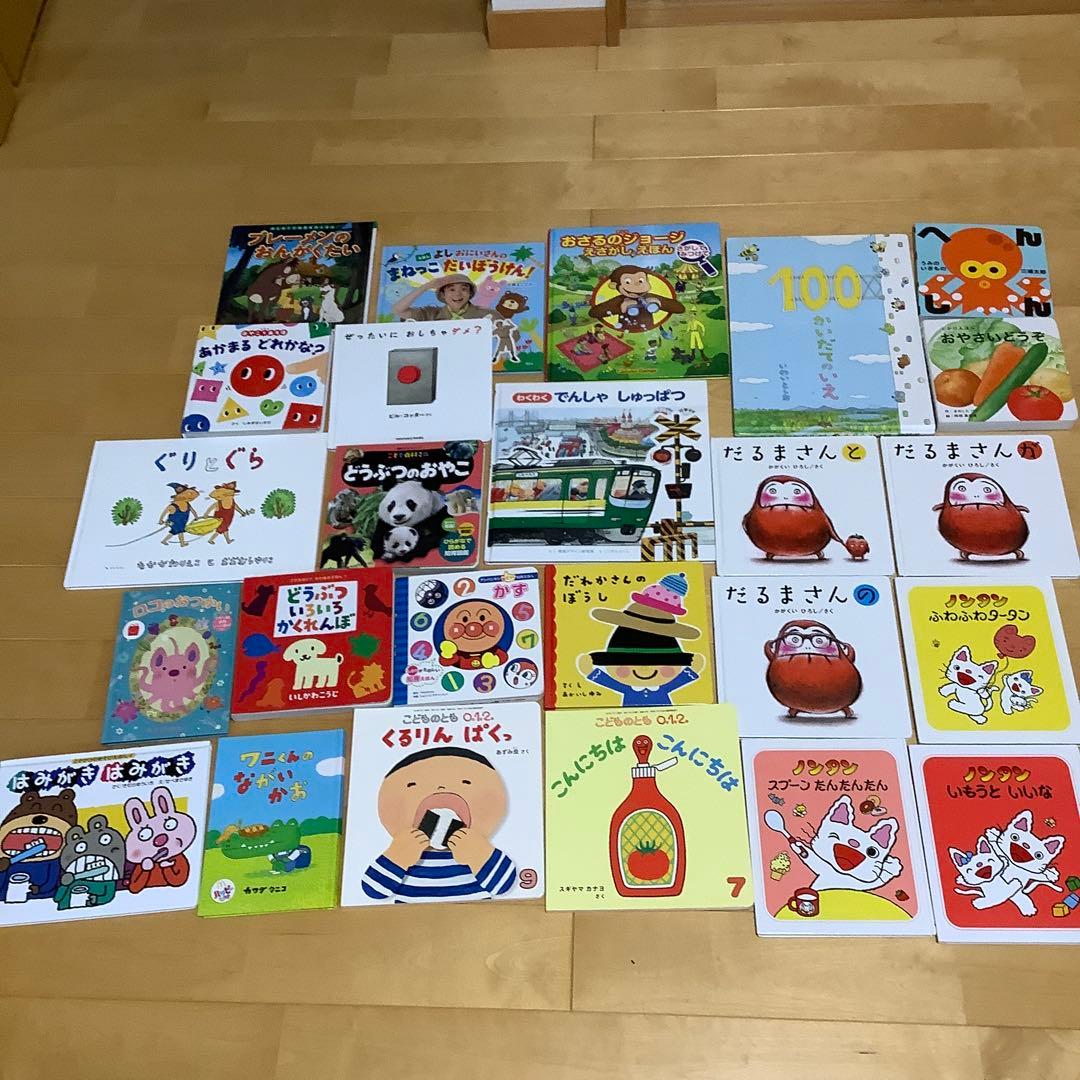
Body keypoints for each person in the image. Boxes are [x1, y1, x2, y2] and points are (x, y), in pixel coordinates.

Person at [391, 273, 494, 322]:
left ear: (470, 293)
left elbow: (501, 340)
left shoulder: (487, 315)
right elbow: (399, 310)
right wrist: (426, 286)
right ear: (442, 294)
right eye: (451, 289)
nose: (458, 294)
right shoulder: (430, 314)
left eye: (464, 289)